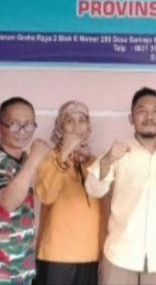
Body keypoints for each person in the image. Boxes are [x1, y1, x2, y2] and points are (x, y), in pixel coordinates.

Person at [85, 87, 156, 285]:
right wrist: (108, 159)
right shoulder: (117, 150)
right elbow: (93, 189)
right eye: (142, 110)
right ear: (131, 117)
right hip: (120, 255)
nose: (149, 117)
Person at [0, 97, 51, 285]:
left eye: (28, 125)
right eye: (14, 125)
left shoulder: (22, 161)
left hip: (20, 267)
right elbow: (8, 202)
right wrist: (34, 159)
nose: (22, 132)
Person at [34, 100, 104, 285]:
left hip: (89, 254)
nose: (76, 127)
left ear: (88, 126)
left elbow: (103, 213)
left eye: (82, 120)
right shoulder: (48, 158)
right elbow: (45, 195)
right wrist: (63, 155)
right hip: (55, 254)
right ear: (60, 126)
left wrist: (102, 251)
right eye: (69, 120)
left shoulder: (96, 162)